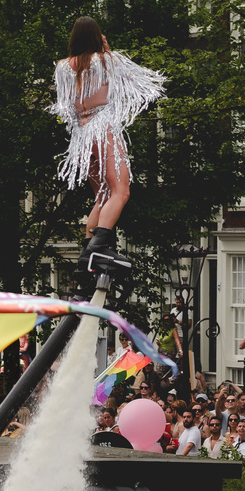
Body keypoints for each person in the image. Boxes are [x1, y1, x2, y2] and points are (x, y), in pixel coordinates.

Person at [55, 16, 164, 296]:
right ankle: (98, 247)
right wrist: (107, 49)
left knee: (102, 196)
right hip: (102, 127)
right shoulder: (105, 61)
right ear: (96, 36)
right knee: (121, 190)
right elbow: (137, 80)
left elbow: (65, 105)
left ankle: (85, 259)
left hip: (80, 135)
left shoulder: (62, 68)